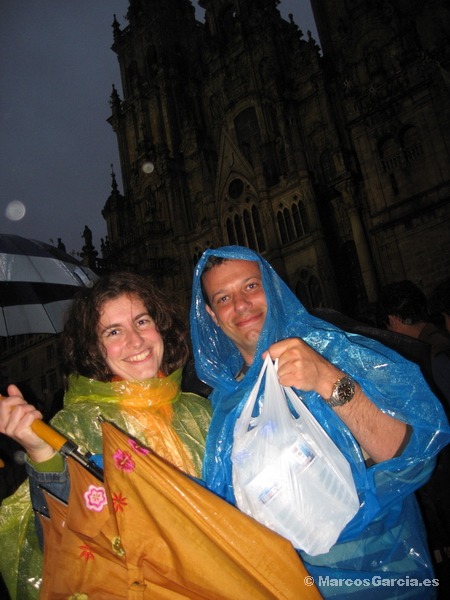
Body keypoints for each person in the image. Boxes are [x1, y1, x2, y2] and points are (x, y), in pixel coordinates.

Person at [189, 246, 450, 599]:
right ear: (212, 314)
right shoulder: (224, 406)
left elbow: (414, 457)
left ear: (272, 285)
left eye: (251, 286)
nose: (240, 305)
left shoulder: (337, 353)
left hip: (386, 583)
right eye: (224, 297)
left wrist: (328, 379)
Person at [0, 272, 211, 600]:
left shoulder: (200, 411)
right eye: (114, 331)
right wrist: (40, 451)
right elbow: (59, 547)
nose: (136, 341)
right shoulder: (78, 424)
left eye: (141, 321)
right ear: (95, 350)